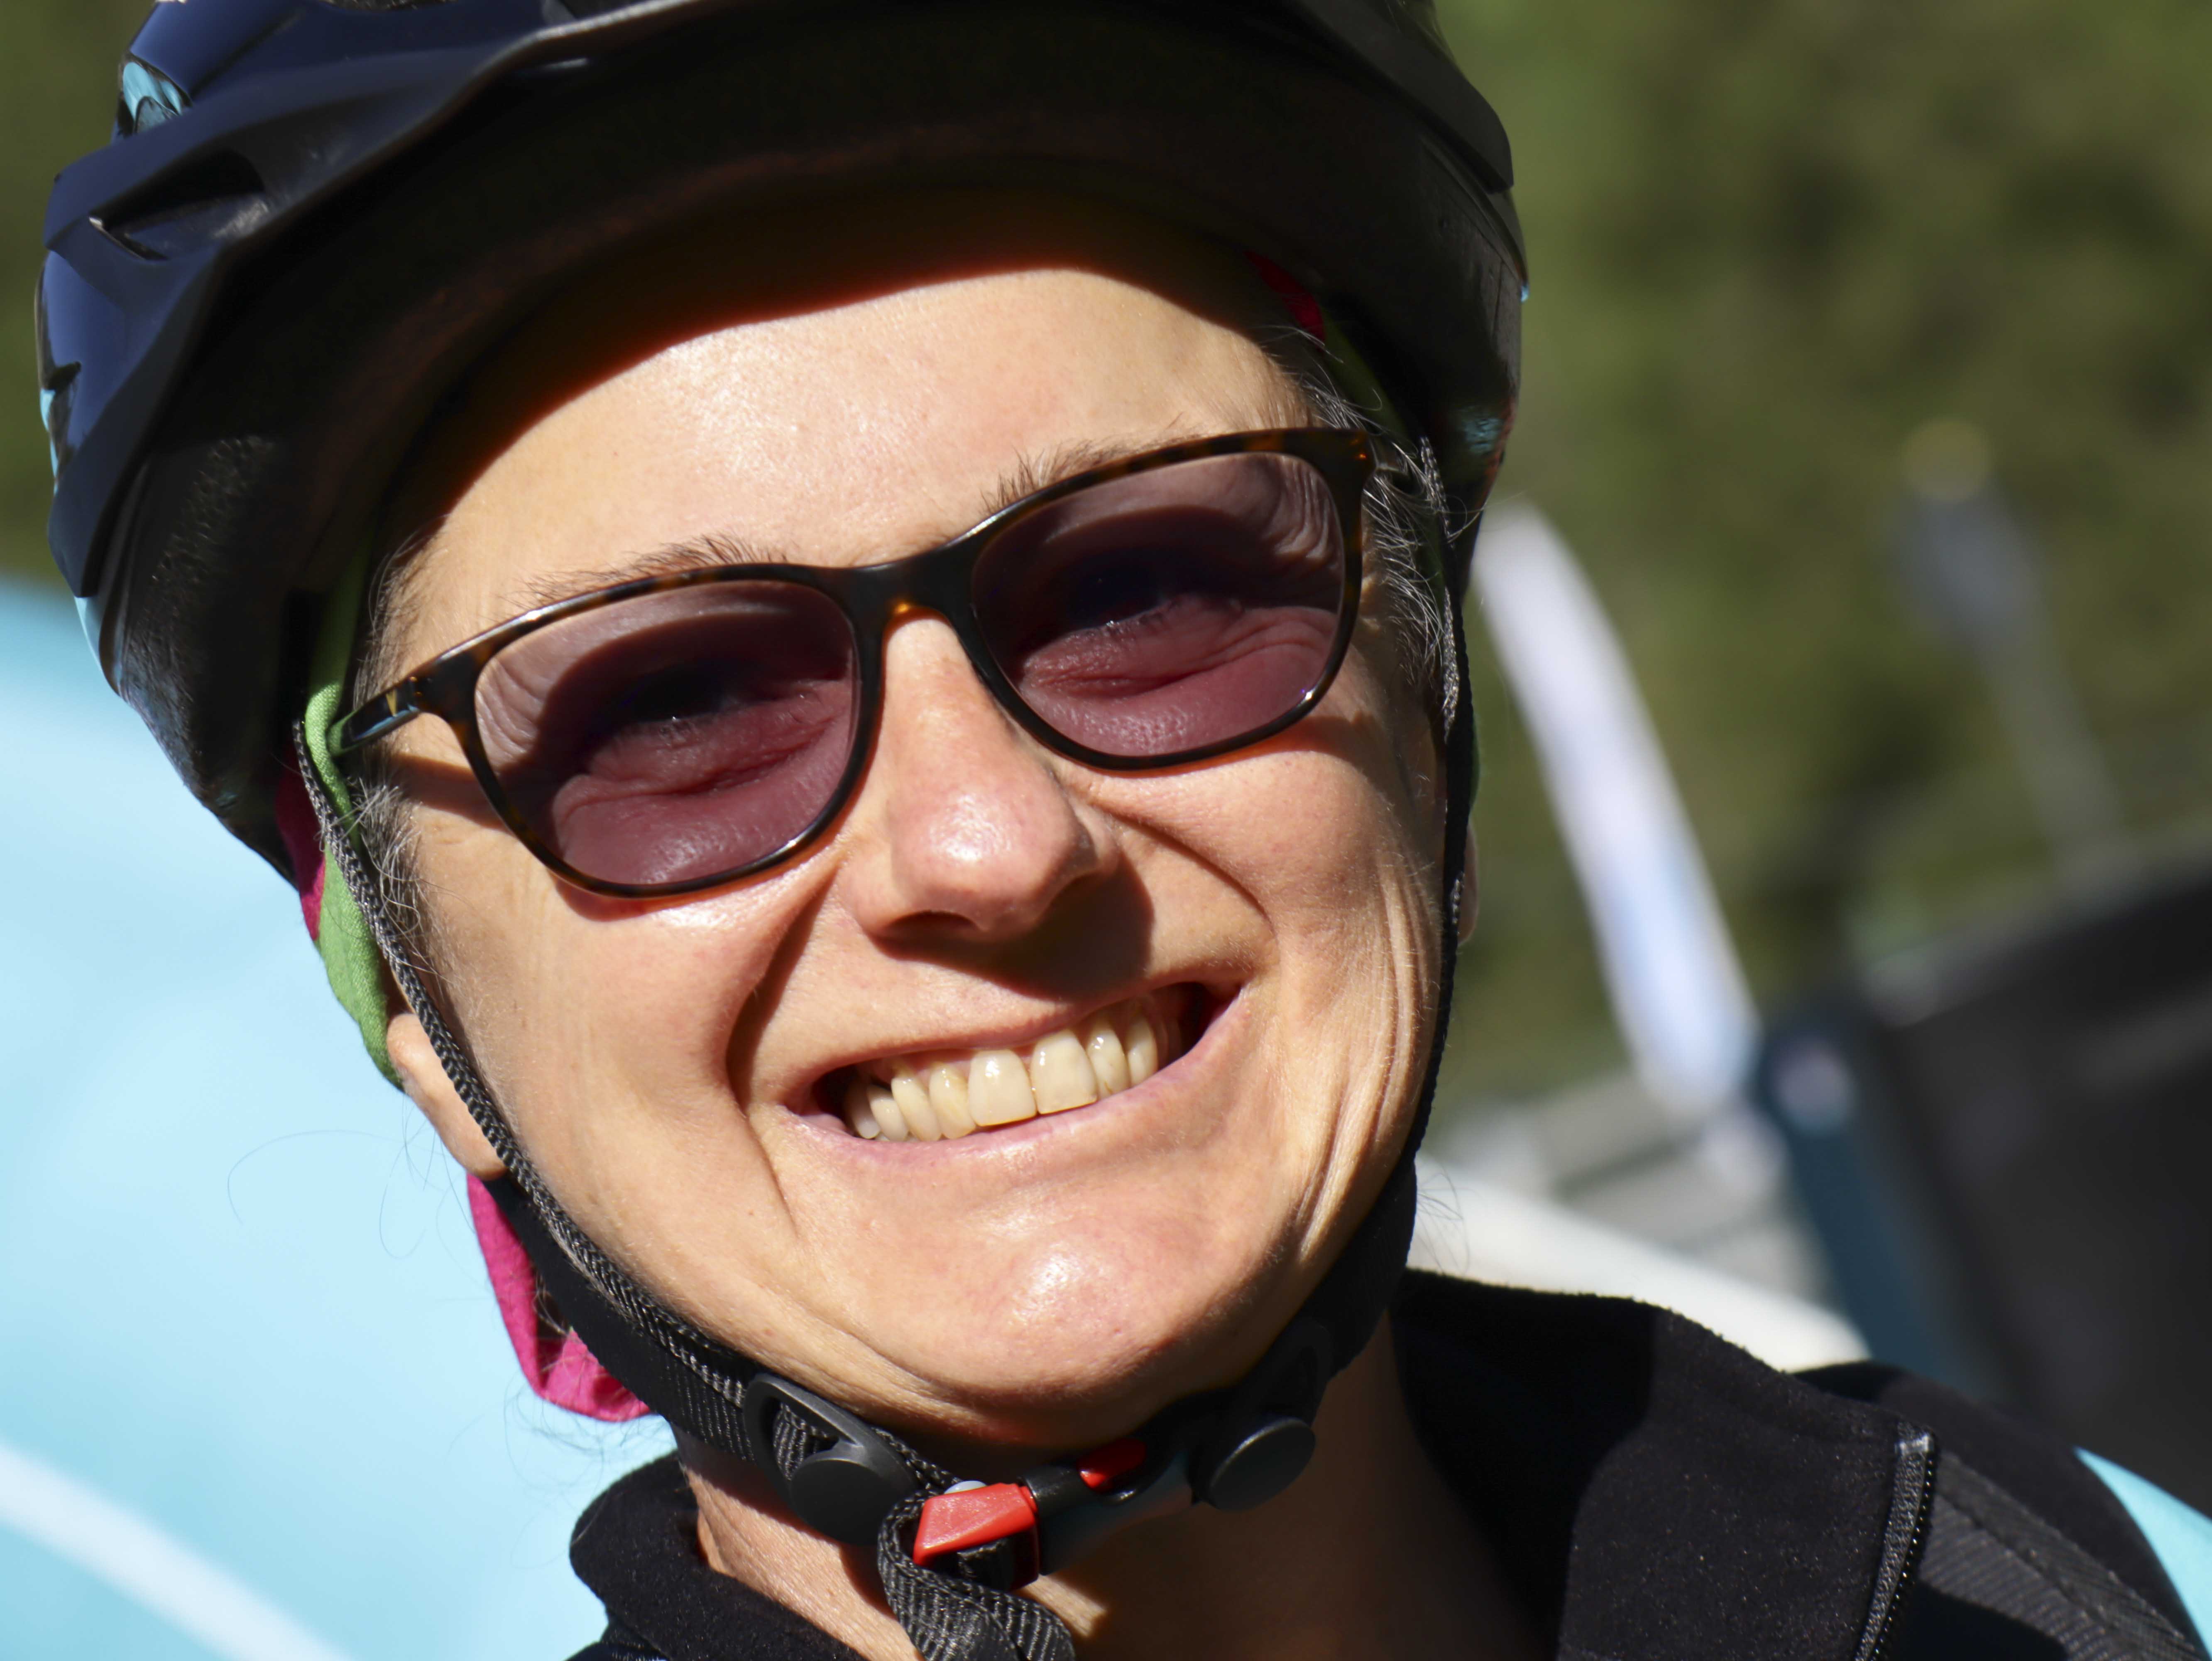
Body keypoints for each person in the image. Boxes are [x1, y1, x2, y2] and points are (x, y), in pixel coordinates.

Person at [38, 3, 2212, 1658]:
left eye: (1151, 591)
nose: (991, 846)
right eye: (673, 710)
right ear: (410, 995)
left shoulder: (2048, 1588)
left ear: (1423, 708)